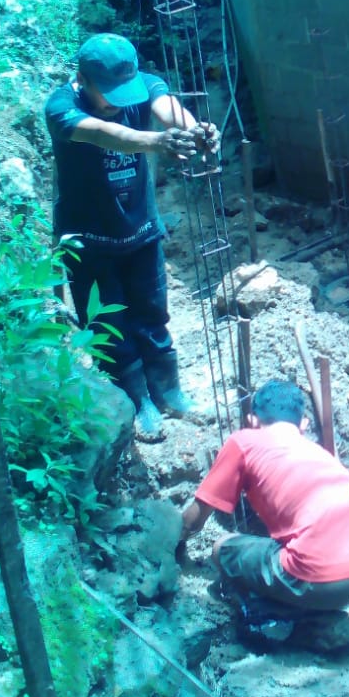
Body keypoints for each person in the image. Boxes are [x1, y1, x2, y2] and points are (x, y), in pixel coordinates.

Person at [44, 32, 220, 436]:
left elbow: (166, 106)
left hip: (140, 231)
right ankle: (136, 401)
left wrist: (193, 130)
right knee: (108, 326)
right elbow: (107, 135)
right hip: (89, 241)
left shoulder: (139, 86)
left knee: (153, 314)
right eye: (108, 93)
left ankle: (169, 391)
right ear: (82, 80)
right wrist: (156, 142)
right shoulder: (61, 107)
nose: (119, 101)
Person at [180, 378, 349, 620]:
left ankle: (285, 616)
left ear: (252, 421)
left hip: (327, 582)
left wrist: (175, 542)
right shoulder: (319, 453)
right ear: (303, 424)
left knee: (223, 548)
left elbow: (194, 520)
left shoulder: (243, 441)